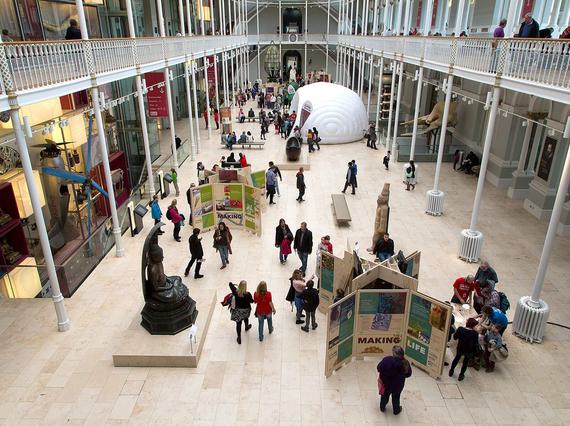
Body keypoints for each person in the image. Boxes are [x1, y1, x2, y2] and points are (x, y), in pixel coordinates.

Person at [377, 345, 412, 415]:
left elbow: (378, 368)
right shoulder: (405, 363)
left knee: (384, 396)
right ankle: (396, 410)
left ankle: (382, 408)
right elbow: (408, 374)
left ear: (394, 353)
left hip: (386, 384)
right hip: (398, 386)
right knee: (396, 398)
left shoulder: (387, 360)